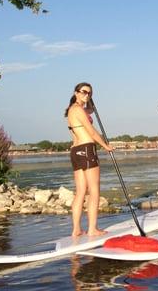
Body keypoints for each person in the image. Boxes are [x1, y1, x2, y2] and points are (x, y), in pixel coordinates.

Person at [65, 82, 113, 237]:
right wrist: (105, 146)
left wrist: (90, 101)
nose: (86, 95)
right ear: (76, 92)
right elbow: (91, 132)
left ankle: (76, 229)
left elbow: (90, 110)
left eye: (89, 93)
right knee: (94, 190)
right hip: (87, 149)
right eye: (84, 92)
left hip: (75, 151)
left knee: (80, 191)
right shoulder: (78, 109)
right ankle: (92, 229)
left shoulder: (73, 110)